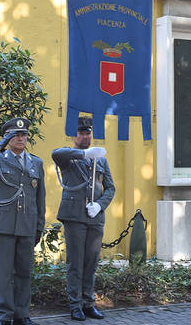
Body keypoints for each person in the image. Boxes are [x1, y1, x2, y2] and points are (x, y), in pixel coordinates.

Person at [0, 117, 46, 325]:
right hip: (3, 226)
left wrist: (39, 226)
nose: (20, 138)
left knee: (24, 273)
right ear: (7, 137)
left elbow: (40, 198)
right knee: (4, 274)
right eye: (15, 135)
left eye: (23, 134)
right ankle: (5, 316)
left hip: (27, 225)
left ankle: (22, 315)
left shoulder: (36, 163)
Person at [52, 117, 115, 321]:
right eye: (81, 133)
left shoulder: (101, 159)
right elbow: (56, 154)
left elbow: (110, 188)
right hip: (74, 217)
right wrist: (84, 154)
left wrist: (100, 205)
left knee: (91, 263)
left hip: (94, 218)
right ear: (73, 135)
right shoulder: (69, 157)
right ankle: (75, 304)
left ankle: (88, 303)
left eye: (88, 133)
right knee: (75, 263)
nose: (85, 136)